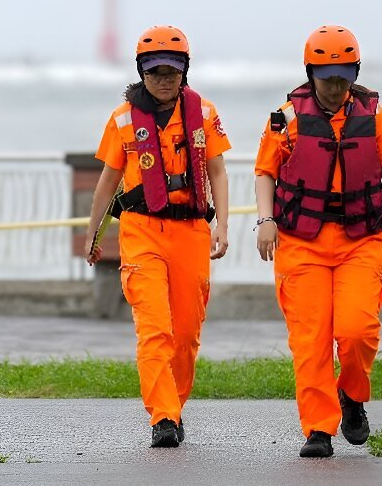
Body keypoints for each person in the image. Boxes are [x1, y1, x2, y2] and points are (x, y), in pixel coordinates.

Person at [253, 24, 382, 458]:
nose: (336, 85)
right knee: (311, 339)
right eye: (327, 77)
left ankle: (353, 396)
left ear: (355, 73)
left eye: (344, 76)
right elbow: (265, 172)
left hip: (359, 240)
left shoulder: (375, 116)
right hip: (301, 242)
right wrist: (265, 220)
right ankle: (318, 429)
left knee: (357, 330)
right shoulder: (286, 117)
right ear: (310, 74)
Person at [83, 24, 231, 449]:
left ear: (185, 70)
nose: (164, 79)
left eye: (172, 70)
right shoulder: (123, 119)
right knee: (154, 331)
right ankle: (163, 417)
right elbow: (108, 179)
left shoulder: (203, 113)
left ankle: (175, 406)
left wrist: (222, 225)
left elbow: (217, 171)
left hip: (191, 233)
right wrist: (93, 234)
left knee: (185, 335)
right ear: (140, 72)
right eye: (154, 71)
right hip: (141, 232)